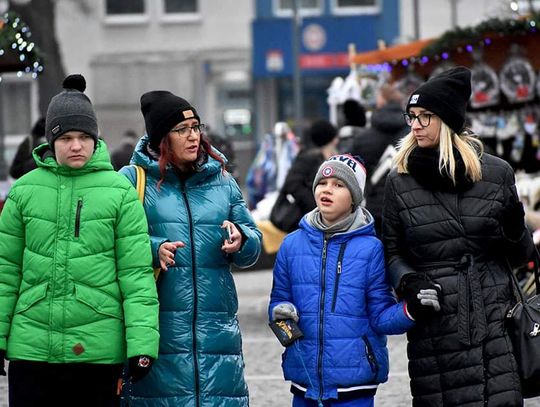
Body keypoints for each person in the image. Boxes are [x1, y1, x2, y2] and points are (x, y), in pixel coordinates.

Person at [0, 74, 160, 407]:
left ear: (95, 138)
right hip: (32, 351)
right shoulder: (23, 191)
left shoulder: (119, 193)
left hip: (96, 353)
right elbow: (6, 271)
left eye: (84, 136)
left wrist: (142, 345)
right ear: (51, 141)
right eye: (66, 137)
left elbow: (135, 275)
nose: (76, 146)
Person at [382, 66, 535, 406]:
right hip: (436, 322)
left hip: (494, 317)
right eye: (412, 117)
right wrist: (409, 282)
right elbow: (391, 250)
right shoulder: (399, 180)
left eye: (425, 116)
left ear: (448, 120)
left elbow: (522, 256)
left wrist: (514, 227)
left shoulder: (496, 173)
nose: (416, 125)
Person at [119, 90, 262, 406]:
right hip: (159, 334)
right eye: (181, 130)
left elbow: (253, 244)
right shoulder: (131, 181)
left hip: (217, 336)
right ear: (161, 138)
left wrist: (242, 238)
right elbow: (113, 242)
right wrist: (153, 249)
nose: (193, 136)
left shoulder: (222, 180)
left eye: (196, 127)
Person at [269, 154, 420, 407]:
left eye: (339, 185)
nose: (327, 190)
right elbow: (278, 301)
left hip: (355, 385)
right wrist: (280, 312)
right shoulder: (291, 245)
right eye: (322, 183)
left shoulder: (371, 249)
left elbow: (380, 315)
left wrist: (411, 311)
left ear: (354, 198)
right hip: (304, 382)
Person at [345, 84, 409, 235]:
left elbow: (350, 170)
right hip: (407, 203)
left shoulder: (363, 138)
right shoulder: (414, 135)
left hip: (374, 205)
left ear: (381, 102)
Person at [271, 119, 338, 232]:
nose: (337, 141)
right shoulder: (308, 157)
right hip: (303, 219)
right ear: (329, 139)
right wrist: (316, 205)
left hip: (311, 218)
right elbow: (292, 184)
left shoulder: (320, 156)